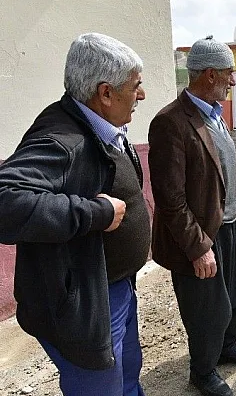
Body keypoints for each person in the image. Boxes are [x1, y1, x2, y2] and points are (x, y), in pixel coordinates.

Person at [0, 33, 150, 395]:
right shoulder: (61, 139)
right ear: (105, 93)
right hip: (86, 302)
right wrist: (95, 212)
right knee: (100, 387)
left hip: (115, 287)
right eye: (136, 86)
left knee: (128, 375)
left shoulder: (98, 123)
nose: (141, 95)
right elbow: (4, 200)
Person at [148, 36, 236, 396]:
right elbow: (171, 199)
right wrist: (198, 247)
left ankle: (226, 348)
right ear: (210, 75)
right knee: (206, 311)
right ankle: (203, 370)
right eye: (229, 74)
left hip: (228, 226)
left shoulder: (214, 113)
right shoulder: (170, 121)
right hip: (199, 236)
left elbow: (225, 170)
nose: (233, 81)